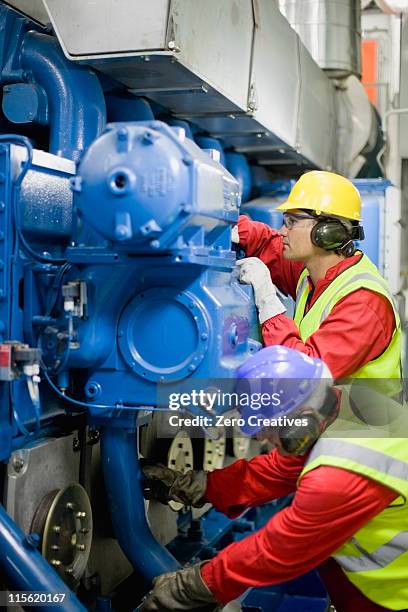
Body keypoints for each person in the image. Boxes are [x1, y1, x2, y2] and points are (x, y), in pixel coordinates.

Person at [140, 346, 408, 612]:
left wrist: (191, 588)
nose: (263, 438)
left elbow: (280, 548)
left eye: (268, 428)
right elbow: (277, 469)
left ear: (300, 422)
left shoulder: (341, 472)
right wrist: (199, 487)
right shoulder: (344, 404)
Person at [234, 170, 401, 383]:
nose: (283, 231)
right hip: (321, 414)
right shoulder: (312, 272)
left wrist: (269, 305)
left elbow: (304, 377)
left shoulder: (364, 303)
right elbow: (269, 244)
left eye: (292, 222)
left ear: (326, 232)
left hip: (353, 417)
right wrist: (227, 225)